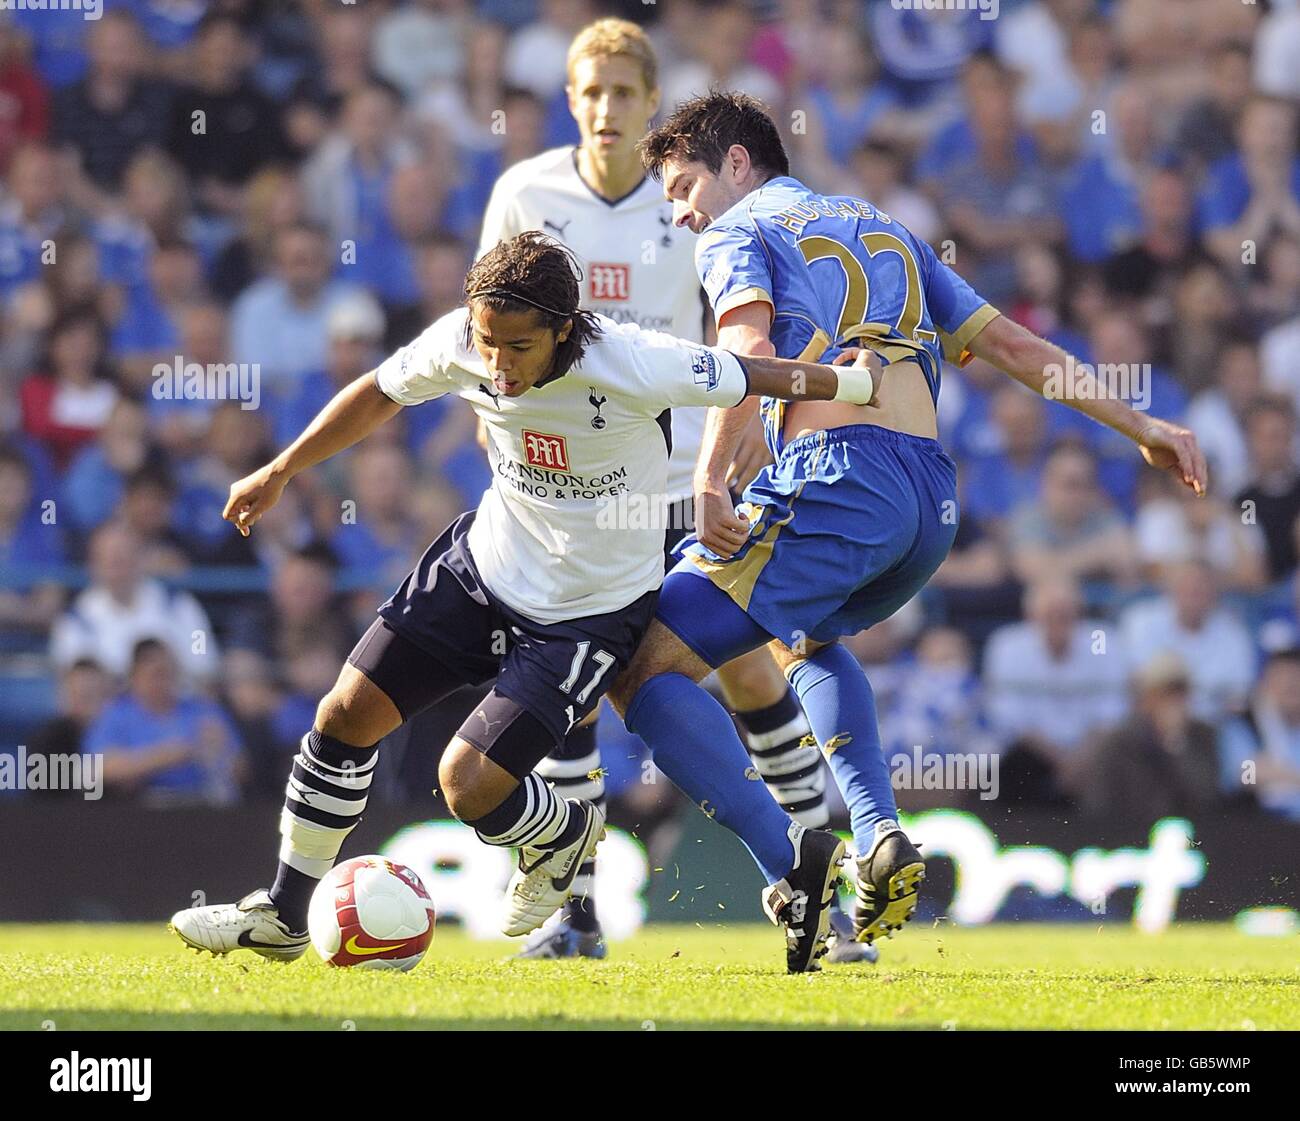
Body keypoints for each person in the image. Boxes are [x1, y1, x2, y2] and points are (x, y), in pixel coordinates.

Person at [169, 231, 882, 973]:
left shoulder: (634, 360)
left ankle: (561, 834)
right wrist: (281, 469)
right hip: (481, 569)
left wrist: (855, 387)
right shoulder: (464, 342)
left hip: (587, 615)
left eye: (518, 347)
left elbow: (751, 373)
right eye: (489, 345)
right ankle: (285, 915)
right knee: (343, 714)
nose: (499, 366)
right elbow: (379, 391)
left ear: (564, 331)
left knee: (466, 783)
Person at [612, 91, 1206, 952]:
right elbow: (1013, 348)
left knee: (642, 664)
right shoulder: (888, 229)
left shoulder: (736, 231)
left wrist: (709, 477)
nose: (679, 210)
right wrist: (1142, 424)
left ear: (738, 163)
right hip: (929, 504)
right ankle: (878, 829)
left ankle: (792, 870)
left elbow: (744, 351)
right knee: (803, 639)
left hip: (842, 476)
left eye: (683, 183)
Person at [473, 16, 865, 962]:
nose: (606, 109)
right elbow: (487, 343)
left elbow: (747, 341)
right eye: (591, 92)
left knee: (741, 669)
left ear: (654, 106)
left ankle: (834, 892)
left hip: (688, 481)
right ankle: (581, 910)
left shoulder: (686, 207)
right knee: (576, 685)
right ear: (570, 99)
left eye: (624, 93)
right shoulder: (524, 192)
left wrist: (742, 457)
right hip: (575, 490)